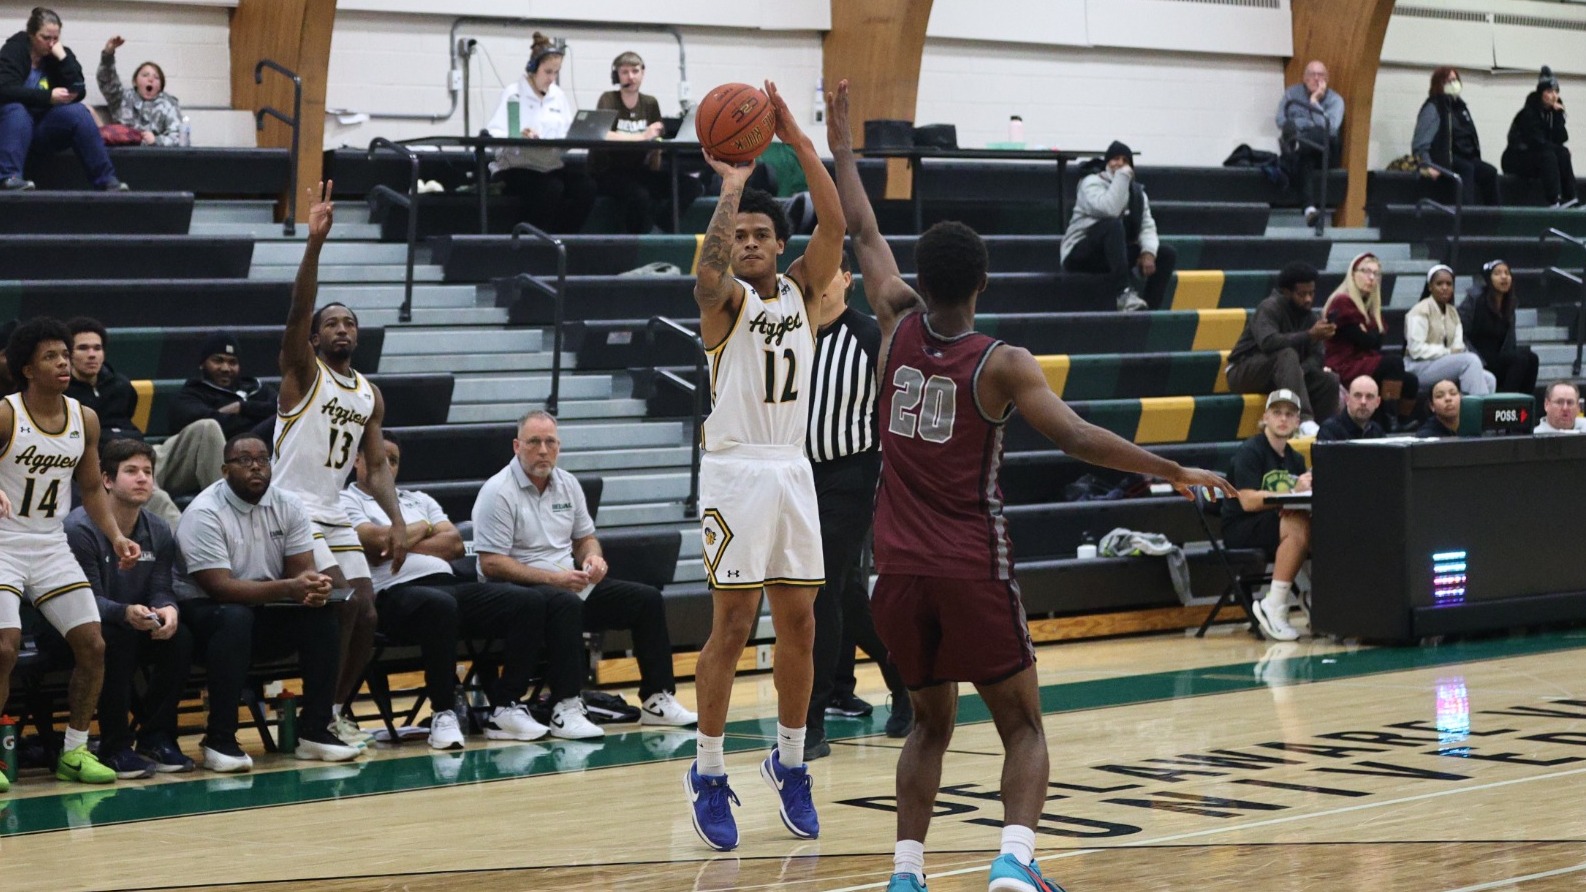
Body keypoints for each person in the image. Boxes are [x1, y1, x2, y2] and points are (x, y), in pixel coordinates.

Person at [826, 79, 1235, 892]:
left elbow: (863, 228)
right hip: (972, 566)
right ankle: (1013, 862)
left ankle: (907, 875)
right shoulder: (1002, 364)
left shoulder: (892, 322)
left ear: (926, 278)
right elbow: (1082, 438)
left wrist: (840, 149)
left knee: (929, 726)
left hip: (897, 572)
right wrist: (1176, 468)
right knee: (1022, 725)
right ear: (980, 282)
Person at [682, 78, 846, 853]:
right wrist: (733, 184)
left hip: (792, 467)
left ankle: (788, 764)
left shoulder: (805, 293)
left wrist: (800, 141)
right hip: (736, 468)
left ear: (778, 245)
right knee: (733, 623)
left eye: (758, 234)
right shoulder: (726, 306)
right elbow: (705, 276)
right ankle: (709, 770)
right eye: (739, 234)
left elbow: (839, 225)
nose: (746, 242)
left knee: (802, 623)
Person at [344, 434, 593, 748]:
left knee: (529, 600)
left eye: (393, 460)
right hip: (393, 594)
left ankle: (505, 706)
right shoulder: (347, 501)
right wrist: (424, 527)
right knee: (439, 606)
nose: (386, 466)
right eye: (379, 459)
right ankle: (443, 713)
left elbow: (455, 545)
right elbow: (377, 542)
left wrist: (402, 537)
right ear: (356, 460)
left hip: (447, 585)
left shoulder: (418, 499)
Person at [271, 181, 407, 748]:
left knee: (368, 613)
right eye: (332, 324)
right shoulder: (303, 372)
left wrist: (397, 522)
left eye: (349, 323)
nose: (342, 329)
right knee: (341, 598)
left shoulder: (369, 394)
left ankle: (329, 709)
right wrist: (314, 246)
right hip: (290, 510)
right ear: (316, 336)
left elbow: (374, 469)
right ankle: (310, 724)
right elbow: (299, 306)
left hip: (332, 510)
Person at [472, 411, 698, 740]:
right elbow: (491, 563)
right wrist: (554, 580)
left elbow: (584, 538)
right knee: (566, 603)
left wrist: (593, 558)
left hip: (566, 586)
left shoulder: (568, 484)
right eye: (534, 442)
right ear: (517, 445)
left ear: (559, 447)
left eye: (550, 442)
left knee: (645, 600)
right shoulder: (498, 491)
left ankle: (656, 698)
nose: (543, 450)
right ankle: (566, 705)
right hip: (516, 593)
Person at [0, 316, 143, 790]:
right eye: (51, 357)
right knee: (4, 647)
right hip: (2, 545)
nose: (63, 363)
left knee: (93, 644)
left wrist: (114, 536)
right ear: (26, 368)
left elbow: (91, 488)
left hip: (50, 544)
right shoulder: (6, 414)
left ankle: (76, 751)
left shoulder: (86, 418)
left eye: (65, 355)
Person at [174, 433, 362, 771]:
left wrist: (313, 588)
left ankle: (315, 730)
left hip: (261, 608)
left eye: (262, 460)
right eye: (244, 461)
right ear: (224, 470)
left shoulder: (288, 504)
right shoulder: (204, 512)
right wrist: (290, 587)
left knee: (322, 613)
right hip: (203, 616)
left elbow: (299, 573)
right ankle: (220, 739)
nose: (256, 467)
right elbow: (219, 587)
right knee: (234, 618)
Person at [803, 252, 911, 759]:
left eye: (830, 276)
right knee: (844, 593)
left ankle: (812, 720)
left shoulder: (871, 338)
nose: (820, 286)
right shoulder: (789, 334)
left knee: (820, 587)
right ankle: (904, 678)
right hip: (797, 476)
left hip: (853, 473)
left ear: (847, 279)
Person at [63, 439, 193, 779]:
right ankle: (114, 746)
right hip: (78, 628)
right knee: (112, 638)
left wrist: (167, 609)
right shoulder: (80, 528)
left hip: (133, 622)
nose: (142, 480)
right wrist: (124, 613)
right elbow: (84, 599)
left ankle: (156, 736)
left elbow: (161, 586)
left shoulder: (159, 528)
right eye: (131, 471)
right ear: (106, 480)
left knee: (180, 638)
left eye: (148, 472)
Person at [65, 316, 221, 521]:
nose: (92, 355)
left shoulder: (120, 385)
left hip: (146, 454)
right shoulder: (63, 394)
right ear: (68, 355)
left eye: (97, 348)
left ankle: (227, 509)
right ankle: (192, 548)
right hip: (109, 469)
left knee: (206, 428)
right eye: (83, 348)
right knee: (157, 498)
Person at [0, 7, 124, 191]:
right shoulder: (14, 50)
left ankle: (106, 180)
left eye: (55, 38)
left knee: (79, 112)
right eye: (45, 38)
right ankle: (9, 177)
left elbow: (78, 90)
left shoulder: (59, 54)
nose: (51, 44)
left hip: (44, 127)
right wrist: (48, 97)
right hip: (13, 126)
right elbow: (5, 89)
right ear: (32, 35)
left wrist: (64, 59)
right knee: (17, 109)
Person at [1223, 390, 1313, 643]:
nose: (1283, 419)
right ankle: (1273, 604)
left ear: (1297, 422)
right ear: (1265, 417)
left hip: (1275, 524)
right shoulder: (1250, 451)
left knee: (1322, 524)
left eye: (1289, 414)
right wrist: (1290, 492)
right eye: (1277, 413)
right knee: (1296, 524)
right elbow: (1248, 501)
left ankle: (1315, 595)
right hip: (1241, 528)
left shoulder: (1295, 458)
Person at [483, 31, 594, 234]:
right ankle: (530, 239)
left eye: (556, 72)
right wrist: (517, 136)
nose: (552, 78)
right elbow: (494, 133)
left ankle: (564, 238)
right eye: (548, 72)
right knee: (551, 188)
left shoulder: (558, 96)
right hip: (517, 167)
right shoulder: (513, 93)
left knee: (586, 187)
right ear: (533, 68)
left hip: (549, 165)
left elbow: (566, 132)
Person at [1059, 140, 1177, 312]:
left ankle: (1150, 311)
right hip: (1080, 253)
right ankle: (1123, 294)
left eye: (1125, 160)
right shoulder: (1090, 183)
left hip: (1112, 255)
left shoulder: (1138, 194)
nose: (1120, 164)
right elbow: (1110, 209)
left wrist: (1148, 253)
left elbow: (1147, 226)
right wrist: (1122, 177)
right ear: (1106, 163)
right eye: (1115, 159)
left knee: (1166, 253)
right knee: (1112, 225)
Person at [1224, 261, 1339, 434]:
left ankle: (1325, 432)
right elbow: (1268, 342)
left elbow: (1317, 356)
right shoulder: (1269, 308)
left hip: (1285, 374)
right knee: (1286, 354)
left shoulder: (1310, 317)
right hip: (1243, 370)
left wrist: (1299, 370)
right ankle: (1304, 422)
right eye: (1302, 294)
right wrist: (1309, 335)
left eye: (1311, 293)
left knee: (1329, 380)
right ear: (1286, 292)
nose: (1308, 299)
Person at [591, 51, 700, 234]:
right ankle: (636, 243)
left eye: (635, 71)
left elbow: (655, 135)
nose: (631, 76)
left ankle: (660, 229)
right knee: (639, 195)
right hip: (609, 171)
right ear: (616, 75)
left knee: (692, 186)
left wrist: (655, 141)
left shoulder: (649, 103)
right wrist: (641, 136)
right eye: (625, 72)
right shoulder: (608, 98)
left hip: (640, 170)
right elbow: (604, 134)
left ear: (643, 73)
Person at [1322, 253, 1419, 430]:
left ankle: (1402, 420)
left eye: (1376, 273)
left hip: (1364, 362)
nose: (1372, 278)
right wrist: (1368, 334)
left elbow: (1376, 340)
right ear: (1353, 274)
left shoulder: (1370, 305)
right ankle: (1391, 422)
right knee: (1393, 363)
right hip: (1344, 365)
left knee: (1410, 380)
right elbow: (1366, 340)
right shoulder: (1342, 301)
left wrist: (1367, 333)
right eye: (1366, 271)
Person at [168, 331, 281, 440]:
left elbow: (283, 408)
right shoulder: (190, 395)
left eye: (232, 362)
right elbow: (215, 426)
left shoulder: (255, 387)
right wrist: (262, 415)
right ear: (202, 364)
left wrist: (242, 407)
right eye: (218, 361)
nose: (226, 368)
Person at [1413, 66, 1499, 206]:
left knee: (1489, 172)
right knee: (1467, 169)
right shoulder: (1434, 107)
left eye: (1455, 80)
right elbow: (1421, 143)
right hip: (1444, 159)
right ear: (1439, 84)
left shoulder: (1460, 107)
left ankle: (1494, 217)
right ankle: (1465, 216)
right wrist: (1427, 164)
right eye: (1449, 80)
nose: (1454, 84)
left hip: (1466, 156)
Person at [1404, 265, 1495, 396]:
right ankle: (1475, 415)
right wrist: (1447, 352)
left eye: (1449, 284)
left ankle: (1465, 413)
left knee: (1489, 379)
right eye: (1439, 284)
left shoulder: (1452, 312)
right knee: (1470, 360)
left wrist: (1452, 353)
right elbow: (1416, 350)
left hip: (1442, 363)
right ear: (1430, 287)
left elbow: (1458, 346)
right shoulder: (1419, 311)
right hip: (1418, 367)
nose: (1445, 288)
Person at [1276, 60, 1344, 226]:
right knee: (1305, 157)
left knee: (1318, 132)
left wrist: (1314, 102)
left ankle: (1298, 144)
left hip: (1327, 150)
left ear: (1326, 79)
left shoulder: (1335, 100)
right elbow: (1281, 120)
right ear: (1305, 78)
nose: (1316, 78)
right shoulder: (1292, 94)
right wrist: (1306, 126)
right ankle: (1309, 210)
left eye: (1320, 75)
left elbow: (1331, 128)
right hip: (1307, 152)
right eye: (1312, 75)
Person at [1459, 259, 1540, 395]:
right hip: (1478, 357)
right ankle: (1503, 403)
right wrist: (1475, 359)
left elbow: (1510, 341)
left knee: (1531, 358)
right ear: (1488, 279)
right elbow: (1460, 333)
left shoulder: (1510, 303)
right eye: (1497, 273)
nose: (1504, 277)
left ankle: (1524, 404)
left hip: (1499, 357)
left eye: (1507, 273)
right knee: (1519, 359)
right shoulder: (1475, 300)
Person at [1504, 66, 1575, 207]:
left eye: (1556, 92)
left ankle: (1571, 198)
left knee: (1563, 153)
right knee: (1548, 154)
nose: (1554, 96)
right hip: (1517, 157)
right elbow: (1537, 142)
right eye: (1549, 91)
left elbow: (1561, 138)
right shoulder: (1528, 113)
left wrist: (1558, 116)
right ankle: (1553, 200)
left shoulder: (1552, 113)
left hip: (1539, 157)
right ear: (1541, 93)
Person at [96, 35, 181, 146]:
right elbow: (107, 80)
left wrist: (156, 140)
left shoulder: (169, 104)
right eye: (145, 75)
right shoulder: (121, 98)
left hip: (155, 155)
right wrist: (108, 54)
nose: (150, 80)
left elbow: (178, 137)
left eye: (156, 78)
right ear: (135, 81)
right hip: (121, 153)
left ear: (160, 86)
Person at [1317, 375, 1388, 442]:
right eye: (1358, 396)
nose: (1363, 402)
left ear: (1377, 402)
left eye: (1369, 396)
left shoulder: (1377, 432)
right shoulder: (1330, 430)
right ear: (1347, 399)